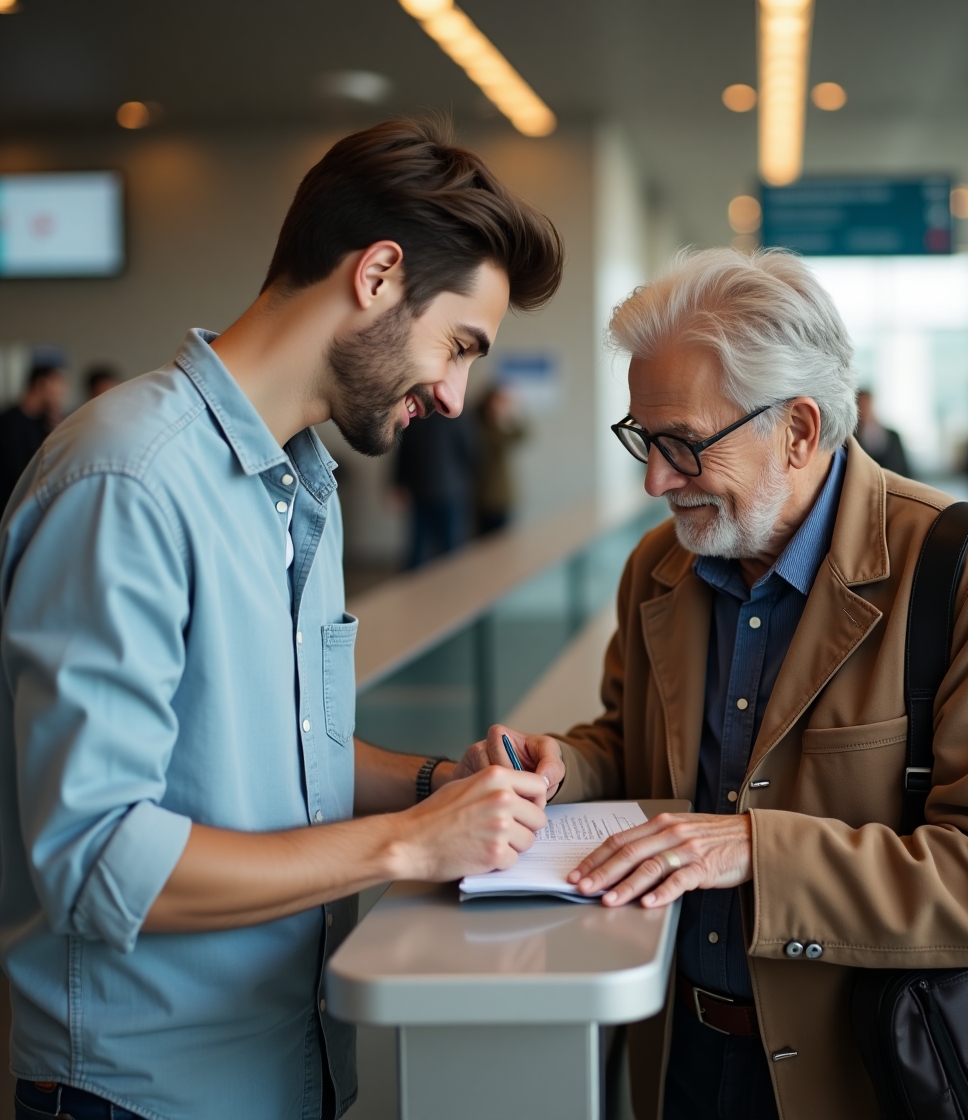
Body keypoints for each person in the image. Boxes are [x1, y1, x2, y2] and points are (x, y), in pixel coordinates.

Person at [0, 118, 563, 1120]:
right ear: (378, 275)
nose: (451, 391)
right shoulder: (128, 479)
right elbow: (97, 857)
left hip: (286, 1064)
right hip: (144, 1094)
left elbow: (287, 751)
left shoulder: (299, 484)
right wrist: (408, 842)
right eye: (459, 346)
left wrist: (448, 785)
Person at [458, 249, 968, 1120]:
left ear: (800, 430)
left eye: (683, 445)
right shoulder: (660, 567)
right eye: (642, 441)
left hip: (861, 1072)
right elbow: (631, 745)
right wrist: (564, 768)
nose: (655, 481)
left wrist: (751, 848)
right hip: (678, 1053)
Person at [394, 409, 479, 567]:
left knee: (419, 548)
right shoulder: (457, 417)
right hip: (451, 492)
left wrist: (398, 484)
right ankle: (451, 587)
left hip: (422, 489)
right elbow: (471, 453)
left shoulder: (414, 417)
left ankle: (412, 588)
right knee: (451, 547)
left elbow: (403, 455)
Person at [0, 362, 67, 513]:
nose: (60, 396)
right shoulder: (10, 423)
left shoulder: (45, 423)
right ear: (41, 384)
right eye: (57, 389)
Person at [474, 384, 527, 535]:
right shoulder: (479, 426)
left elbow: (522, 435)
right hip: (483, 495)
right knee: (484, 543)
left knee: (503, 543)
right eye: (498, 401)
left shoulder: (501, 425)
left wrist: (509, 416)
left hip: (502, 496)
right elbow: (498, 442)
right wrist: (499, 418)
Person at [854, 387, 909, 477]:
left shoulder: (893, 436)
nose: (864, 410)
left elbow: (904, 469)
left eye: (867, 404)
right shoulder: (851, 439)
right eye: (861, 405)